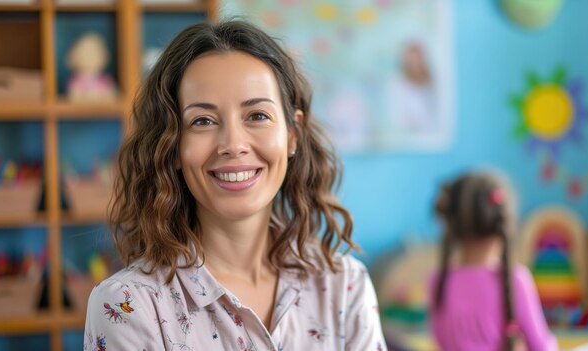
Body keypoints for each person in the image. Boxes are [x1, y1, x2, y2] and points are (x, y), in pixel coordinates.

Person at [83, 20, 386, 351]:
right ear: (171, 148)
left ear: (292, 134)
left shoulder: (344, 285)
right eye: (203, 121)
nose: (233, 144)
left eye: (257, 115)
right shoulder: (128, 306)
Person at [428, 171, 557, 351]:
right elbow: (543, 347)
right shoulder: (517, 280)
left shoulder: (438, 281)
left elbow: (440, 340)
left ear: (451, 224)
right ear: (504, 223)